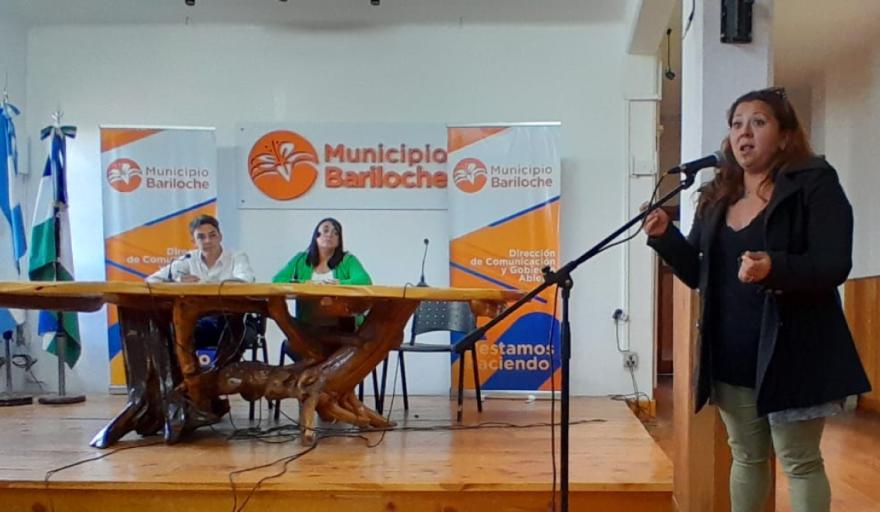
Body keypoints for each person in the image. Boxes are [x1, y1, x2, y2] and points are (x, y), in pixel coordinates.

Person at [644, 87, 870, 512]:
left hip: (794, 350)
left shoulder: (814, 184)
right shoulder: (717, 196)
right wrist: (665, 237)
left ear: (784, 136)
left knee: (799, 461)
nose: (744, 133)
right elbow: (698, 273)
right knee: (746, 456)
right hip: (730, 354)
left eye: (758, 122)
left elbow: (834, 263)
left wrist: (774, 267)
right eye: (736, 124)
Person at [147, 214, 255, 349]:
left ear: (220, 237)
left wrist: (204, 284)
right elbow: (151, 281)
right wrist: (178, 283)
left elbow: (245, 281)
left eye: (212, 235)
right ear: (193, 241)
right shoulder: (188, 259)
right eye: (201, 237)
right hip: (200, 319)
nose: (208, 241)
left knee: (233, 336)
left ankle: (223, 364)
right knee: (172, 335)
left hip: (236, 318)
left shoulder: (237, 257)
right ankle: (188, 363)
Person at [273, 217, 371, 329]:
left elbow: (365, 281)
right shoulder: (301, 259)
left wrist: (340, 283)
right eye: (326, 230)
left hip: (344, 326)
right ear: (316, 236)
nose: (330, 235)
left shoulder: (348, 260)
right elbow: (277, 280)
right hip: (307, 326)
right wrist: (304, 284)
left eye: (335, 233)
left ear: (339, 241)